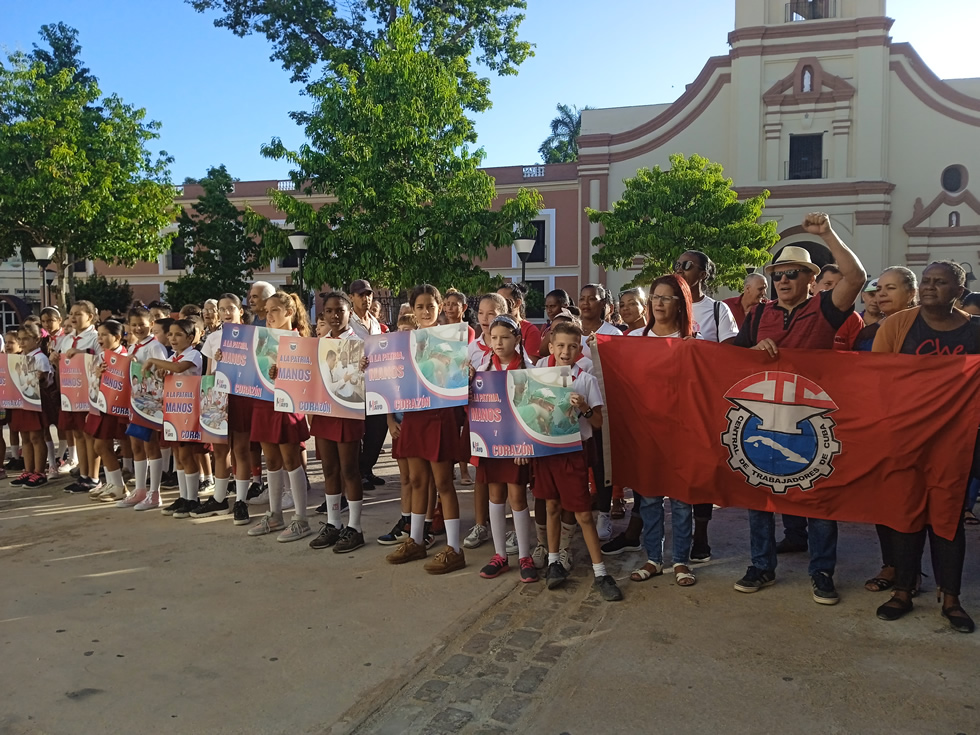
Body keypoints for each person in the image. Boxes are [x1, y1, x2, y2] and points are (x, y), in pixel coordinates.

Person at [732, 213, 866, 605]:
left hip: (812, 420)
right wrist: (752, 351)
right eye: (778, 275)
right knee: (759, 494)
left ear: (810, 278)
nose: (783, 281)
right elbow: (729, 358)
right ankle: (761, 565)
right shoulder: (758, 314)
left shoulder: (826, 308)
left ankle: (822, 571)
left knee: (818, 495)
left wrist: (827, 233)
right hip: (764, 415)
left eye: (792, 274)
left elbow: (855, 278)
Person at [872, 260, 976, 634]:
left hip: (957, 444)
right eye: (927, 281)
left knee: (948, 519)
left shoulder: (976, 329)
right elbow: (876, 379)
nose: (931, 287)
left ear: (958, 291)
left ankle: (951, 598)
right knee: (905, 514)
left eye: (941, 282)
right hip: (906, 439)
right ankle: (903, 590)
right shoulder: (898, 325)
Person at [534, 320, 623, 601]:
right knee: (550, 506)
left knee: (583, 513)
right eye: (560, 345)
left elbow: (597, 423)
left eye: (572, 346)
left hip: (573, 451)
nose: (565, 351)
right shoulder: (539, 372)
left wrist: (584, 407)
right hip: (547, 449)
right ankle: (553, 563)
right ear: (551, 347)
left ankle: (600, 572)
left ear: (579, 349)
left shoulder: (585, 379)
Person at [384, 284, 466, 574]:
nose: (426, 311)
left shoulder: (453, 338)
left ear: (440, 306)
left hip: (440, 415)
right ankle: (415, 540)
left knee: (443, 483)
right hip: (414, 415)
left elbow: (458, 372)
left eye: (431, 306)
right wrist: (370, 365)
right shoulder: (403, 341)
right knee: (418, 481)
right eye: (420, 307)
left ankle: (454, 548)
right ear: (412, 310)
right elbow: (388, 373)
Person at [855, 268, 918, 588]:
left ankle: (913, 572)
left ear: (911, 292)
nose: (881, 294)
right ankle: (891, 565)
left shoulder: (927, 329)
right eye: (878, 288)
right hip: (878, 425)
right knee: (884, 499)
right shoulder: (865, 333)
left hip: (918, 426)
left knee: (914, 500)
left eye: (890, 288)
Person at [244, 292, 313, 541]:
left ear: (289, 312)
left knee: (290, 459)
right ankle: (274, 515)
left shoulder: (298, 340)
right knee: (271, 460)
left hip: (286, 405)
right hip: (264, 403)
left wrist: (283, 371)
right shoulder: (261, 339)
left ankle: (301, 518)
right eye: (267, 310)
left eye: (274, 310)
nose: (268, 315)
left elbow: (305, 376)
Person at [308, 292, 368, 554]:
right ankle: (333, 523)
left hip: (347, 411)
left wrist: (366, 367)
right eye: (329, 311)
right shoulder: (319, 345)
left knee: (349, 470)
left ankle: (354, 527)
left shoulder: (359, 344)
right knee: (329, 469)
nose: (334, 316)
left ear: (349, 314)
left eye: (339, 311)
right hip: (324, 412)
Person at [192, 294, 245, 520]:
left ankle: (241, 501)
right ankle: (220, 499)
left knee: (241, 450)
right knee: (220, 451)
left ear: (240, 311)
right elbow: (208, 373)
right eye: (221, 309)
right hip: (219, 399)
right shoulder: (213, 338)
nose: (225, 312)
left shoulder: (251, 336)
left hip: (242, 398)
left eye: (230, 308)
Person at [116, 305, 170, 511]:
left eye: (142, 325)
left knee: (150, 445)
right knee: (136, 445)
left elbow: (164, 370)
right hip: (135, 402)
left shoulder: (155, 347)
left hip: (151, 403)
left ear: (151, 325)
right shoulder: (132, 348)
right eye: (134, 325)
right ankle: (139, 489)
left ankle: (154, 493)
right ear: (128, 326)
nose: (138, 328)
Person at [347, 279, 389, 491]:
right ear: (352, 297)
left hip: (378, 384)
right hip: (356, 383)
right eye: (361, 294)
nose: (366, 298)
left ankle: (367, 468)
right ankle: (358, 472)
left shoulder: (375, 322)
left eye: (369, 294)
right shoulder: (347, 322)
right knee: (359, 431)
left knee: (378, 429)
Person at [85, 321, 130, 502]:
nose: (100, 339)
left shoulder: (124, 358)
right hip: (99, 405)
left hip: (112, 407)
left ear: (117, 337)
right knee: (99, 446)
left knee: (102, 445)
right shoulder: (102, 355)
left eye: (104, 335)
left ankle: (119, 486)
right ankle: (112, 483)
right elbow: (93, 381)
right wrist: (97, 373)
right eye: (99, 335)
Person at [815, 264, 864, 351]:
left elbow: (857, 356)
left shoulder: (854, 319)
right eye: (828, 283)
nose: (834, 288)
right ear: (813, 286)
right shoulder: (800, 313)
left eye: (839, 285)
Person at [497, 283, 542, 361]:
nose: (501, 306)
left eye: (505, 301)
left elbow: (532, 364)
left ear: (518, 303)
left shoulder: (531, 330)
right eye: (498, 302)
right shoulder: (494, 327)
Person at [538, 289, 571, 357]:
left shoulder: (572, 328)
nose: (549, 310)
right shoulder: (546, 328)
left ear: (565, 306)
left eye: (552, 306)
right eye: (546, 307)